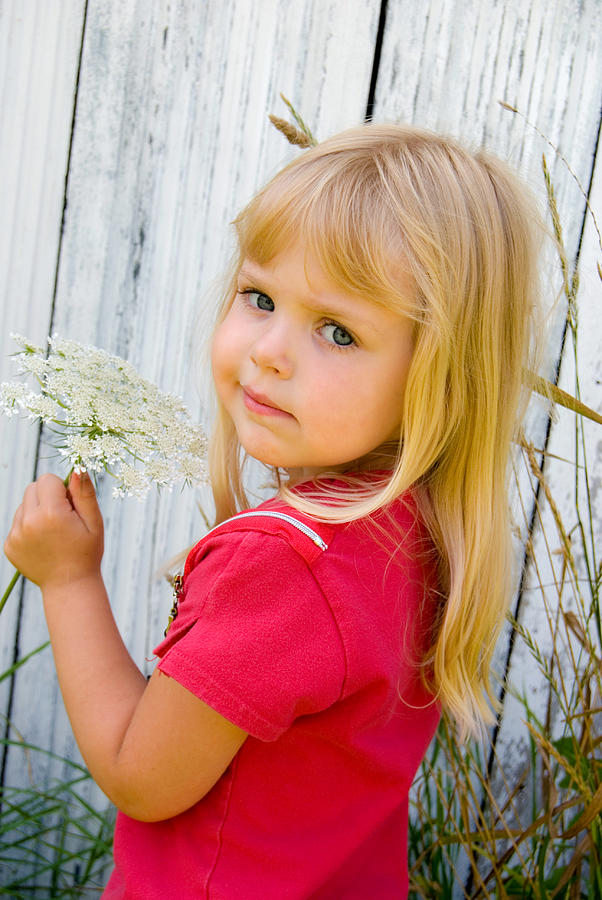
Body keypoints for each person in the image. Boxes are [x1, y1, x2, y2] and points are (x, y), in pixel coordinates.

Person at [4, 123, 541, 898]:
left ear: (440, 381)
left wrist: (67, 580)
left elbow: (139, 774)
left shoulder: (283, 564)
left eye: (338, 331)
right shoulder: (418, 533)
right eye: (259, 297)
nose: (269, 351)